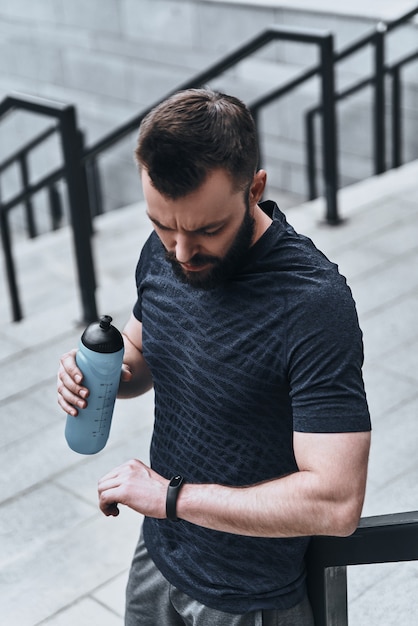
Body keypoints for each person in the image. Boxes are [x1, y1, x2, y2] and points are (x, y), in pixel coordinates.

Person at [58, 88, 371, 626]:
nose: (180, 253)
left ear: (255, 189)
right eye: (163, 226)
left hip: (249, 598)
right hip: (158, 556)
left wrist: (170, 498)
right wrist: (104, 375)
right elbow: (143, 350)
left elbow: (335, 502)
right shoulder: (166, 248)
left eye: (207, 230)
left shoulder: (313, 304)